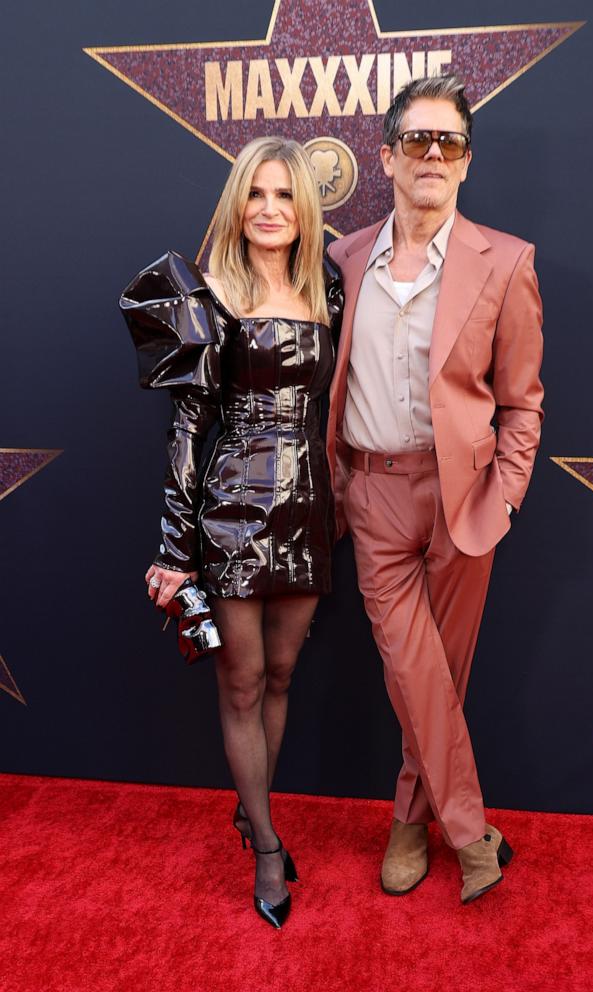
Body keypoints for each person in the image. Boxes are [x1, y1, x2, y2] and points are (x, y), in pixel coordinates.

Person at [326, 74, 544, 904]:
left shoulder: (507, 261)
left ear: (465, 163)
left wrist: (507, 494)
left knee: (439, 677)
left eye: (447, 141)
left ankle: (409, 822)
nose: (432, 154)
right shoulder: (346, 258)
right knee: (412, 670)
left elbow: (522, 399)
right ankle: (469, 832)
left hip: (464, 499)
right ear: (385, 157)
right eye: (415, 139)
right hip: (373, 493)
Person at [120, 136, 342, 929]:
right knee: (241, 683)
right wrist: (174, 550)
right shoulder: (209, 293)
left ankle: (253, 812)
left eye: (285, 196)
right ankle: (268, 846)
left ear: (303, 208)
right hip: (232, 512)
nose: (270, 210)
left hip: (309, 506)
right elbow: (187, 428)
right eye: (256, 195)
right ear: (237, 205)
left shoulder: (330, 286)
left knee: (280, 677)